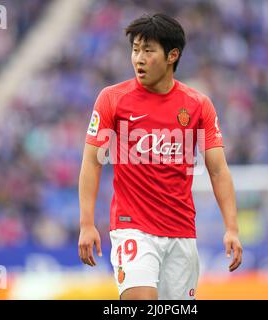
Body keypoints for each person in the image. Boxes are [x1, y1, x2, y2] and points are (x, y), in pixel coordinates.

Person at [78, 13, 242, 300]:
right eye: (135, 49)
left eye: (148, 50)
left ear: (172, 56)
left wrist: (231, 227)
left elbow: (217, 170)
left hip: (181, 233)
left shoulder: (198, 105)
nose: (138, 58)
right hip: (133, 229)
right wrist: (87, 223)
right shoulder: (112, 100)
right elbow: (92, 161)